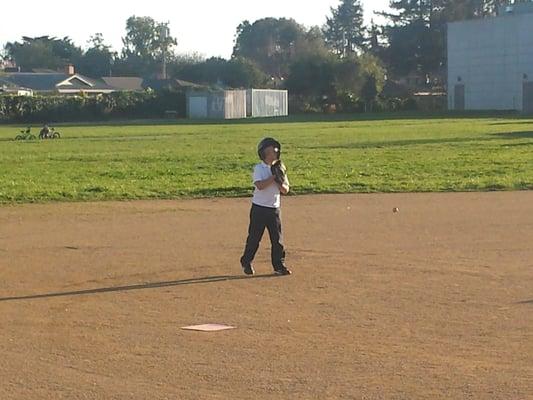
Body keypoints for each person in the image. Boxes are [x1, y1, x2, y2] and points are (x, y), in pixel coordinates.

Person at [240, 137, 291, 276]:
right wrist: (273, 177)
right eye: (269, 152)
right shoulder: (259, 168)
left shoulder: (280, 168)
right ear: (262, 154)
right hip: (259, 208)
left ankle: (279, 266)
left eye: (274, 152)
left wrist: (279, 178)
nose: (272, 155)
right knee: (255, 238)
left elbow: (285, 190)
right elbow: (260, 186)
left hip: (274, 209)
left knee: (277, 240)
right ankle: (246, 261)